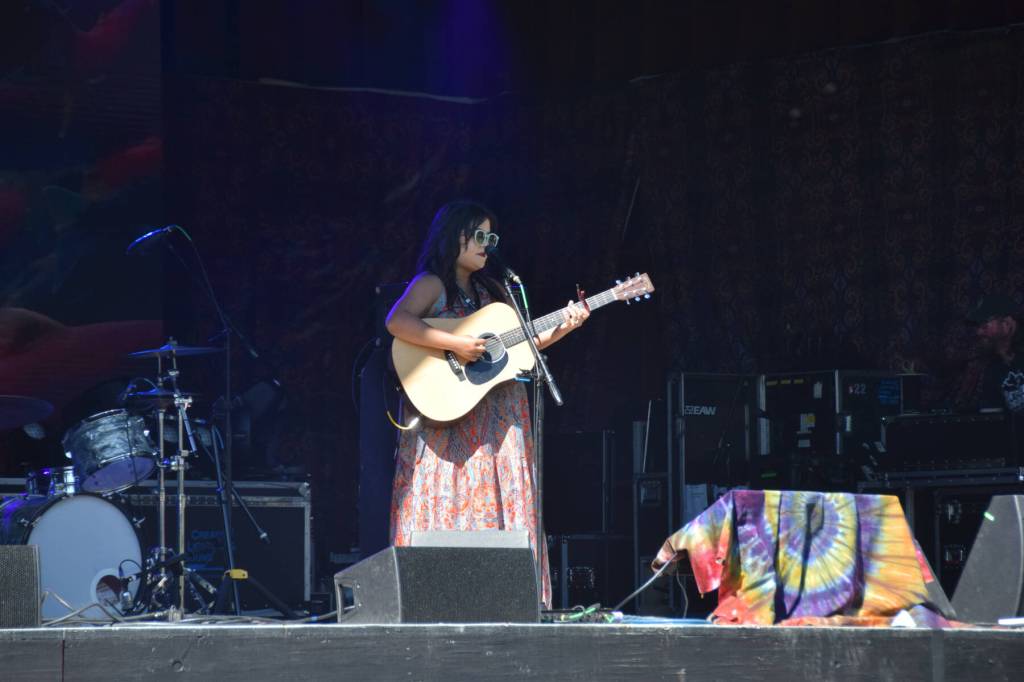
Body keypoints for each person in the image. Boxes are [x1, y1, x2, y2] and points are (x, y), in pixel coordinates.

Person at [385, 200, 589, 609]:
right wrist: (457, 342)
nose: (487, 244)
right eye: (479, 235)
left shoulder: (493, 291)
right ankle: (436, 594)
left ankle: (505, 597)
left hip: (495, 419)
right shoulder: (431, 283)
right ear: (453, 236)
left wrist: (566, 325)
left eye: (491, 237)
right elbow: (397, 321)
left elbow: (522, 346)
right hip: (449, 419)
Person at [967, 294, 1024, 414]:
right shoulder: (992, 370)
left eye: (984, 325)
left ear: (1007, 324)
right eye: (977, 326)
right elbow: (992, 420)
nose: (978, 332)